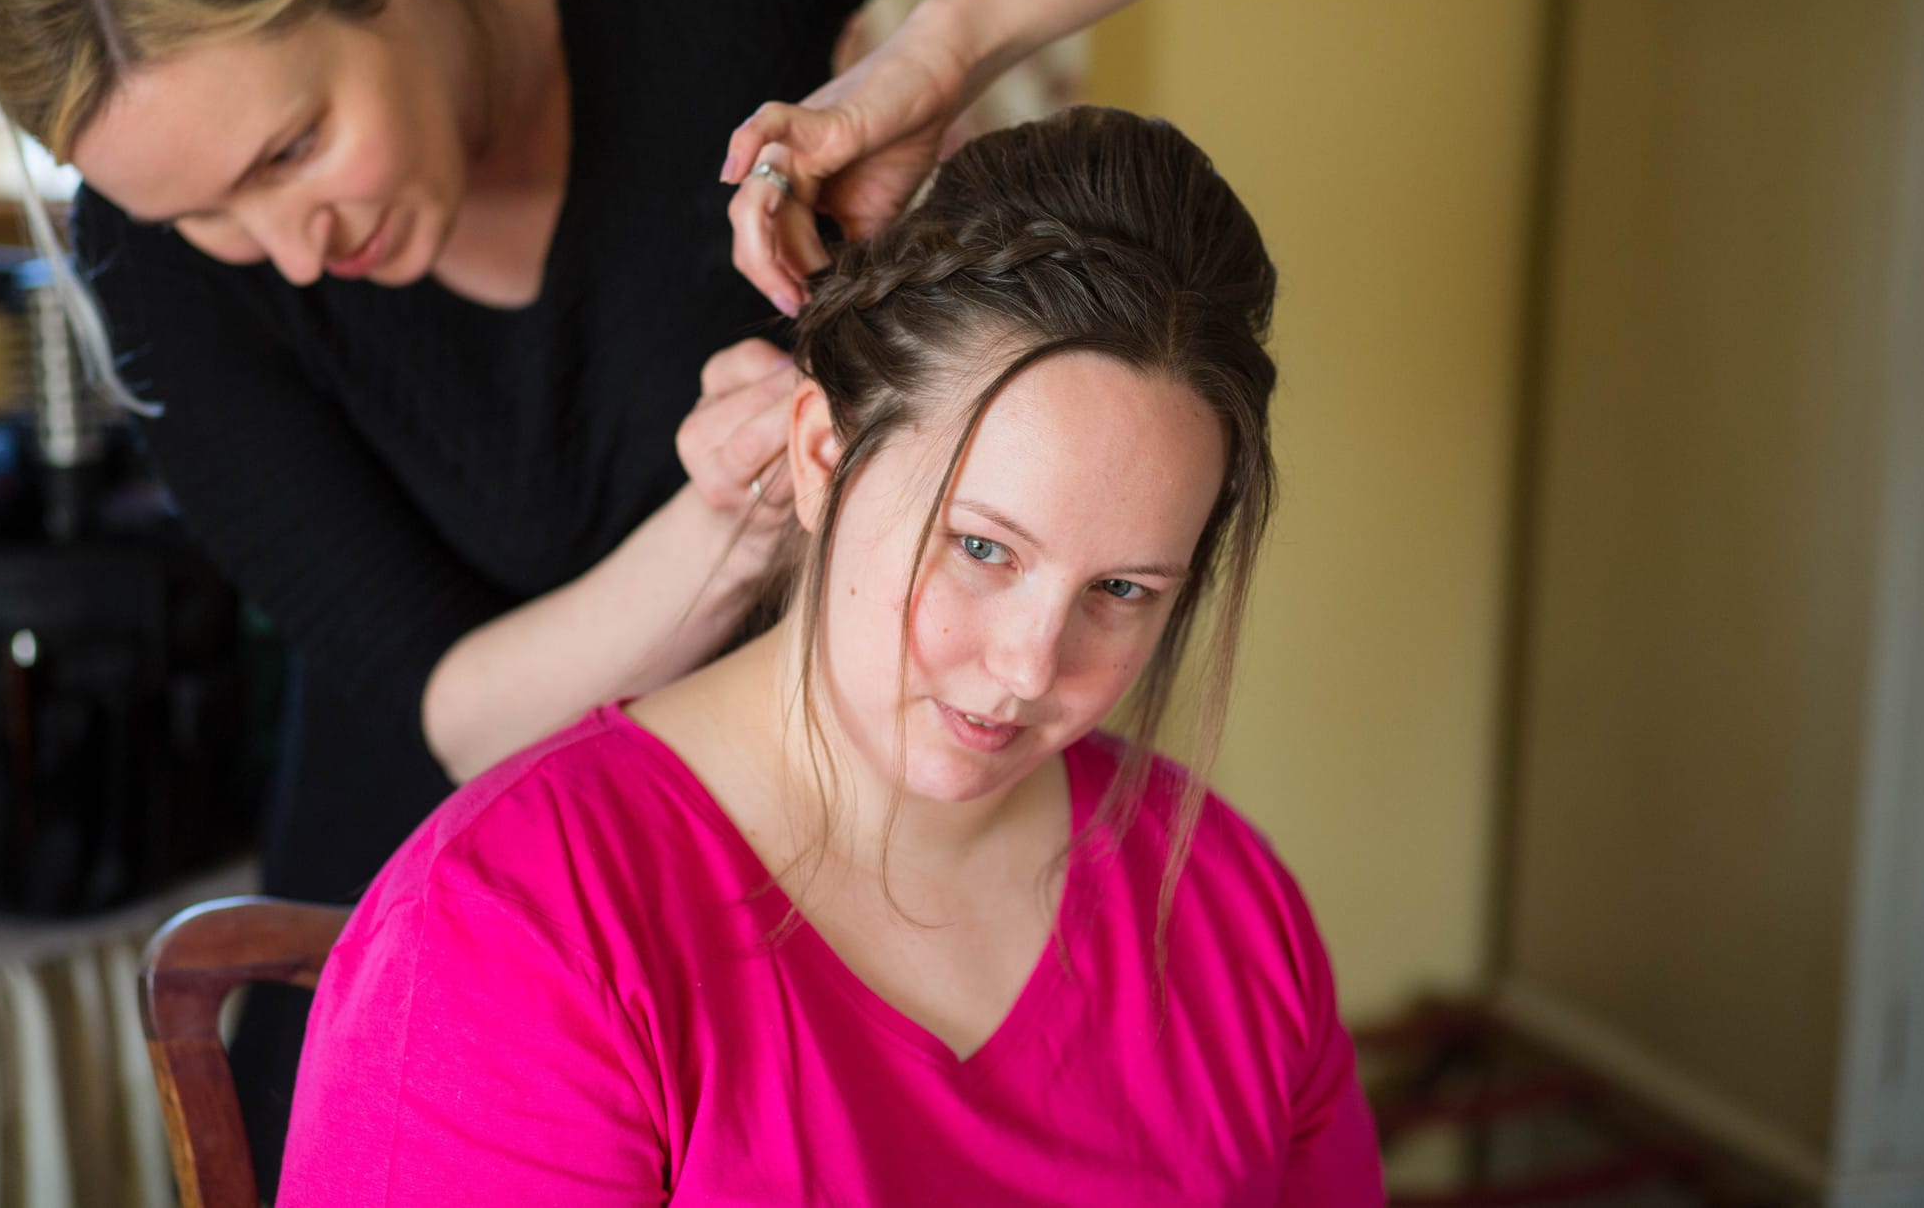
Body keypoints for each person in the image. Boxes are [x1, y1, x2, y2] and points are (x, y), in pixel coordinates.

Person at [0, 0, 1321, 1189]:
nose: (295, 247)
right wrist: (739, 518)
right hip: (466, 975)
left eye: (295, 147)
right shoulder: (160, 272)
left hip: (860, 883)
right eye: (205, 213)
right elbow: (462, 712)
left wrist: (934, 55)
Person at [279, 107, 1384, 1204]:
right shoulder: (512, 933)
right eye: (981, 546)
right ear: (820, 455)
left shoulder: (1231, 908)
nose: (1027, 667)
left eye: (1122, 591)